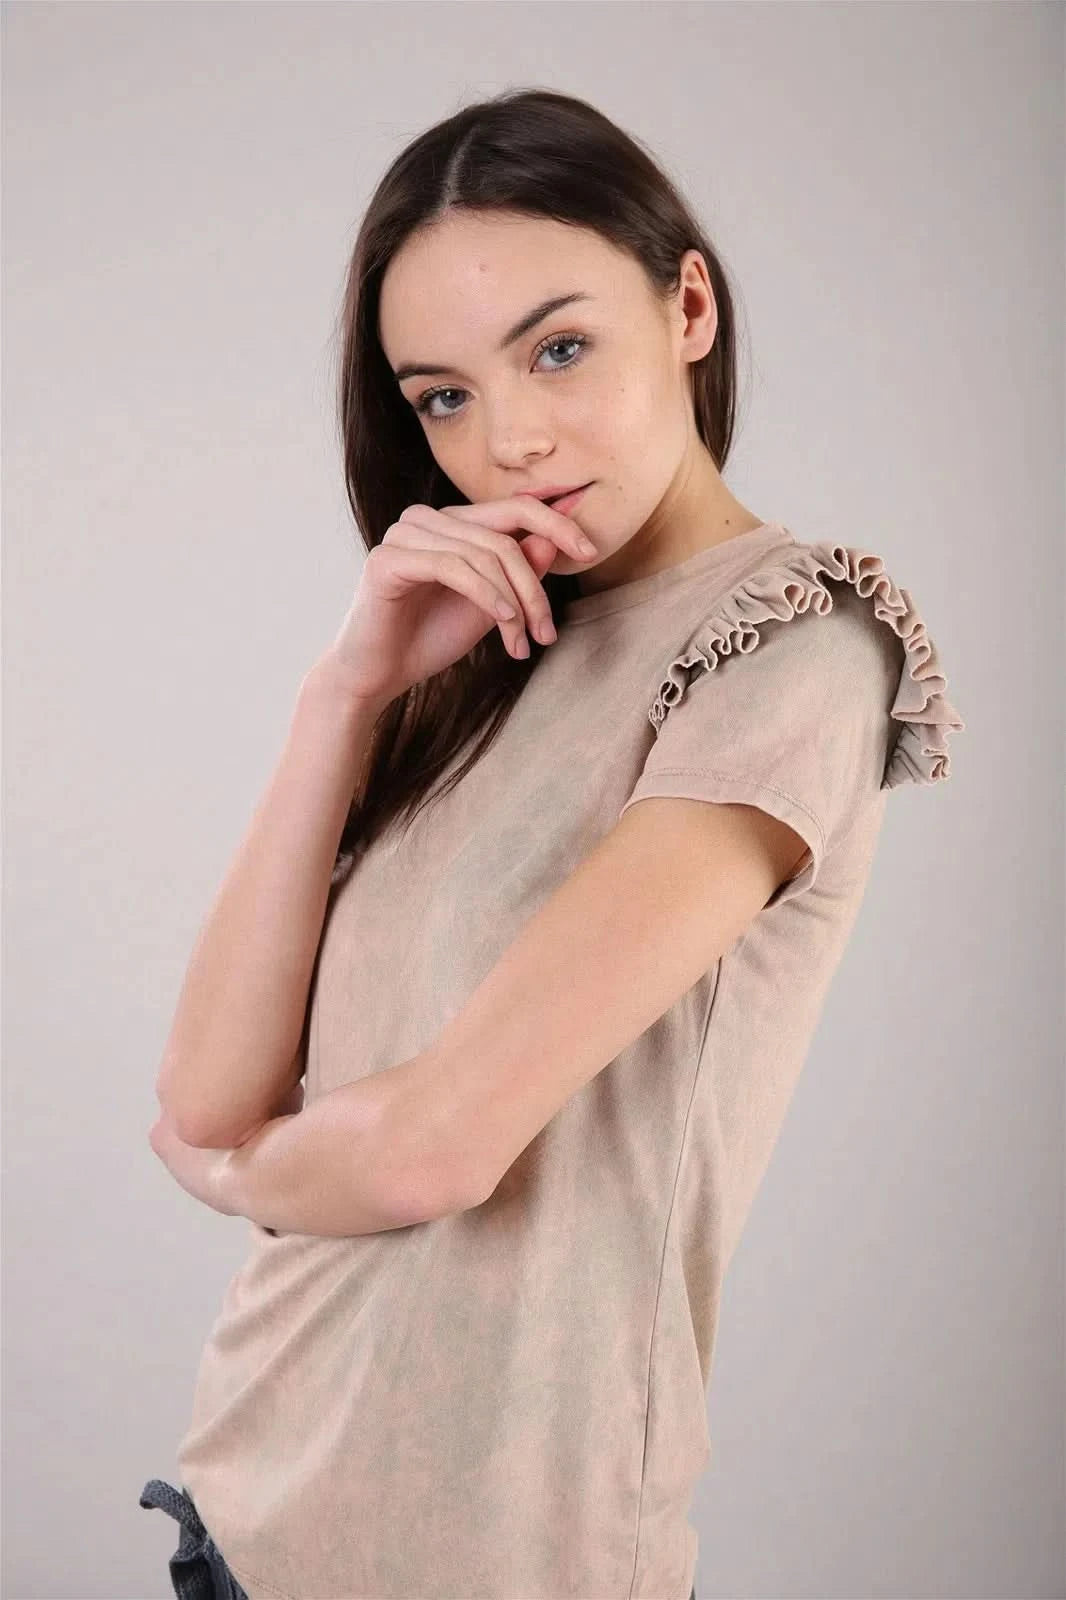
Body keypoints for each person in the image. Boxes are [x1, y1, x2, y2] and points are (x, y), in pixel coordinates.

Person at [141, 87, 964, 1600]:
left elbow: (431, 1148)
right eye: (442, 396)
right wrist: (348, 693)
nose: (509, 440)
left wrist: (229, 1173)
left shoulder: (788, 646)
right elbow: (207, 1088)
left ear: (688, 307)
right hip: (246, 1510)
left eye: (559, 348)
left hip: (503, 1557)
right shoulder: (478, 647)